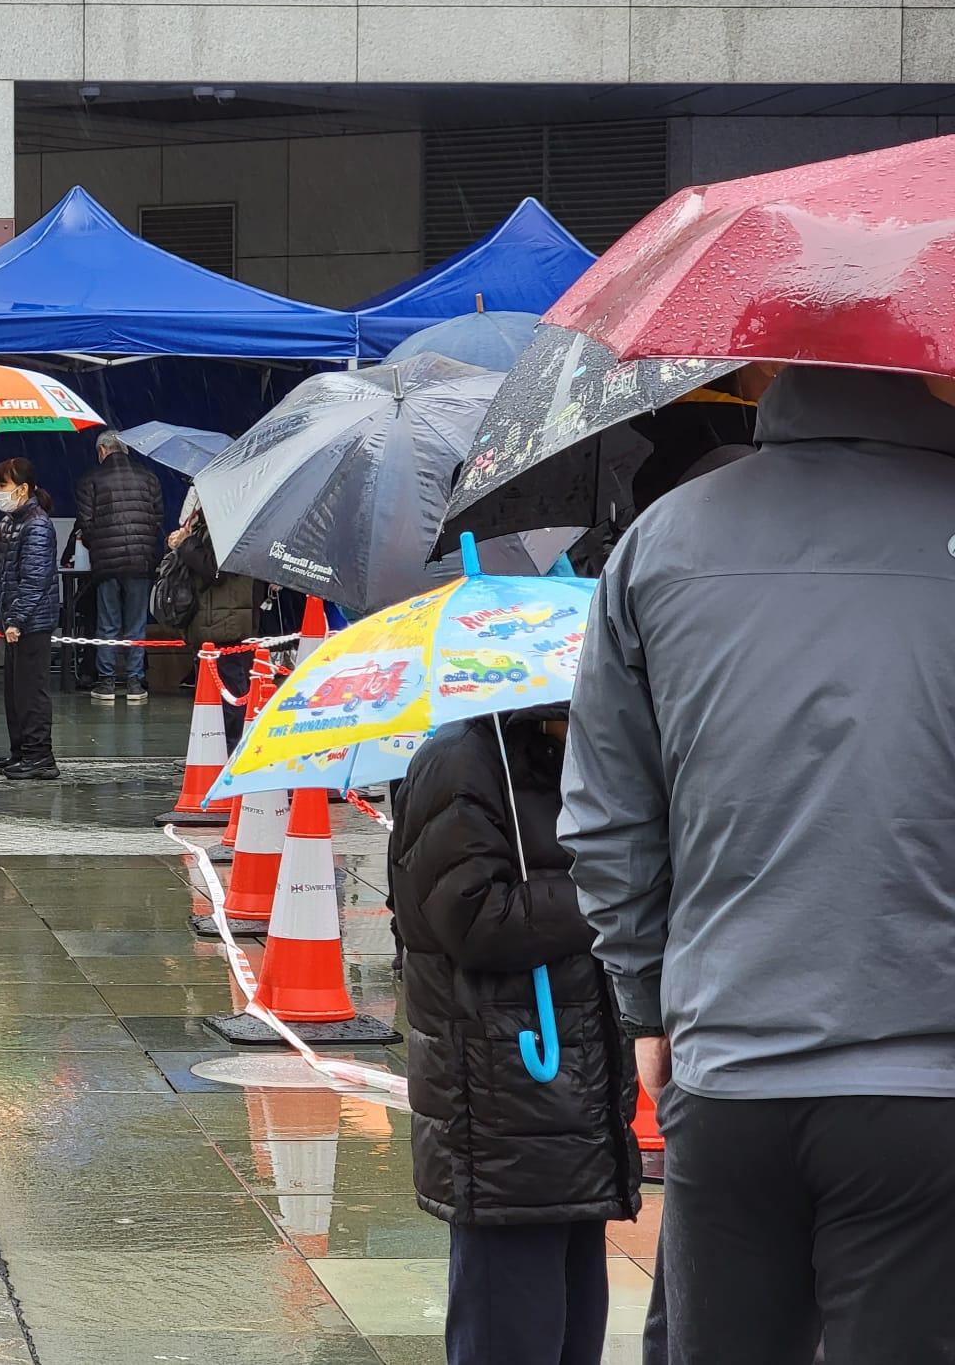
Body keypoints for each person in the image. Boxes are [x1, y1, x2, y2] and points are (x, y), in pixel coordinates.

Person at [562, 364, 955, 1364]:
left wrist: (643, 997)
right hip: (926, 1082)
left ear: (777, 366)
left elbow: (607, 813)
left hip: (726, 1061)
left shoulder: (661, 541)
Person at [389, 705, 639, 1365]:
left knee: (573, 1327)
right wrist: (607, 895)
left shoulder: (578, 760)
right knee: (512, 1330)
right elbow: (473, 918)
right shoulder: (459, 762)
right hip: (504, 1095)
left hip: (579, 1093)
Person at [0, 458, 60, 780]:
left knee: (32, 691)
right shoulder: (9, 522)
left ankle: (40, 756)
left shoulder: (37, 525)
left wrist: (17, 620)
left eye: (3, 485)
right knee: (14, 691)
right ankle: (20, 751)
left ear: (22, 488)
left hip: (31, 623)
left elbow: (35, 579)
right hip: (13, 621)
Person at [68, 431, 164, 703]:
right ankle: (135, 683)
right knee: (136, 624)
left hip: (106, 564)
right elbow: (157, 518)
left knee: (108, 624)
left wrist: (97, 545)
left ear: (102, 451)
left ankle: (106, 683)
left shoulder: (91, 479)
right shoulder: (149, 478)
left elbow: (85, 523)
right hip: (141, 561)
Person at [167, 506, 256, 745]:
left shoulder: (231, 525)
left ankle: (230, 748)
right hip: (211, 622)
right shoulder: (212, 524)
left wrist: (187, 543)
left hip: (225, 624)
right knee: (212, 696)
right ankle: (212, 749)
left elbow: (215, 571)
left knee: (230, 694)